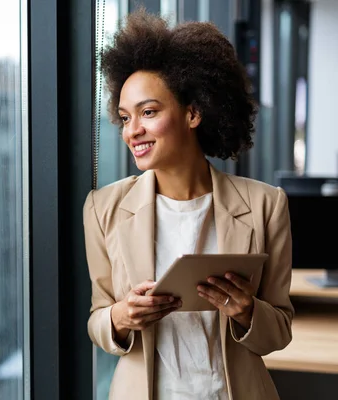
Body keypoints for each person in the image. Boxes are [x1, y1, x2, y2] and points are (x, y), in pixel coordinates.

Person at [84, 9, 293, 400]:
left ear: (193, 113)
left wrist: (247, 312)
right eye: (125, 117)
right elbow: (98, 319)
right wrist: (120, 317)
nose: (133, 131)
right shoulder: (103, 208)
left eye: (148, 112)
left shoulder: (266, 205)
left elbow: (280, 329)